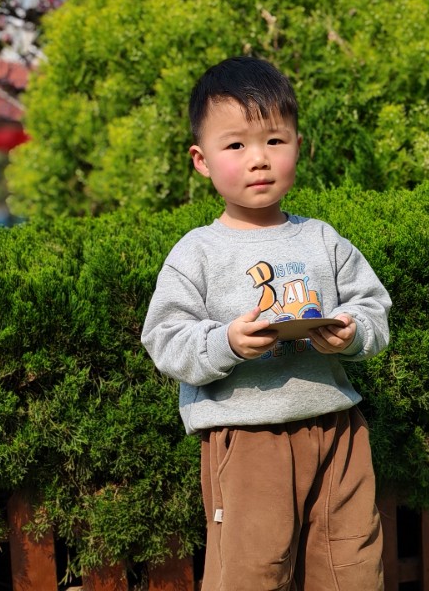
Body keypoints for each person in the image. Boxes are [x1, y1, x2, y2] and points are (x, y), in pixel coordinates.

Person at [141, 56, 391, 591]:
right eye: (235, 145)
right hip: (247, 440)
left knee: (351, 565)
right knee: (252, 573)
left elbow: (373, 307)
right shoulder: (198, 252)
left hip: (337, 430)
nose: (259, 159)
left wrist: (351, 334)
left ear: (298, 145)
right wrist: (226, 342)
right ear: (201, 160)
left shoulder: (322, 239)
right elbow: (165, 338)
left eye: (274, 140)